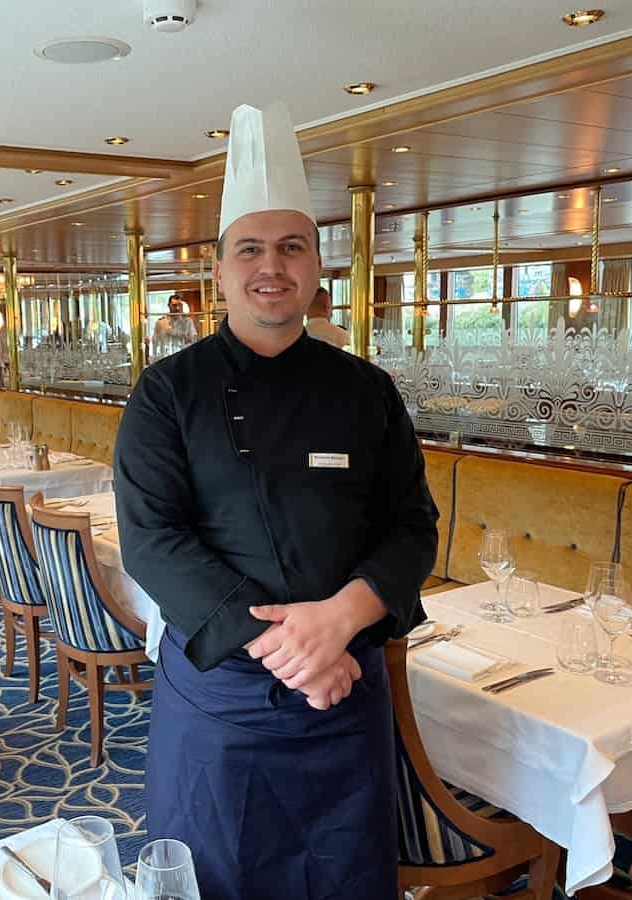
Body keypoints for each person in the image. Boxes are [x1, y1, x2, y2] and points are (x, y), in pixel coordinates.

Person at [114, 102, 438, 900]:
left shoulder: (368, 391)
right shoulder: (167, 393)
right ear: (220, 269)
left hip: (344, 694)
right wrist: (295, 653)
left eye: (291, 246)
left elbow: (412, 524)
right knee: (220, 876)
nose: (272, 265)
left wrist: (342, 619)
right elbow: (154, 541)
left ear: (317, 264)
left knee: (348, 878)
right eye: (251, 248)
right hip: (224, 700)